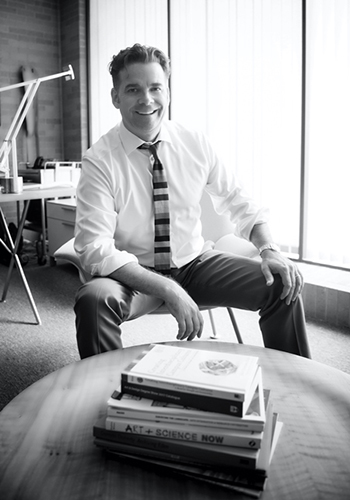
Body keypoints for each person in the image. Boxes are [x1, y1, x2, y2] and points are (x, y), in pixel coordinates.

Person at [74, 43, 311, 360]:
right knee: (94, 299)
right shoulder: (99, 161)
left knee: (282, 282)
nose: (147, 99)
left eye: (156, 88)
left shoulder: (195, 142)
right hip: (134, 276)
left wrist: (269, 249)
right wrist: (168, 289)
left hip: (195, 265)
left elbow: (241, 201)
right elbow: (94, 249)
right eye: (133, 89)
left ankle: (296, 382)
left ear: (167, 92)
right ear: (116, 97)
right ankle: (105, 396)